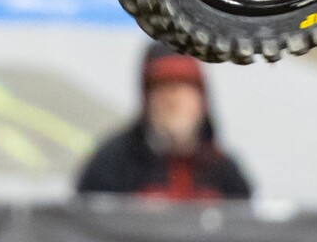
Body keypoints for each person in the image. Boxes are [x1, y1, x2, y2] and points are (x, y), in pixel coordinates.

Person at [75, 45, 254, 201]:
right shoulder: (111, 164)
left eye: (185, 88)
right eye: (164, 88)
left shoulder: (224, 173)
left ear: (202, 101)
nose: (174, 101)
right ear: (147, 99)